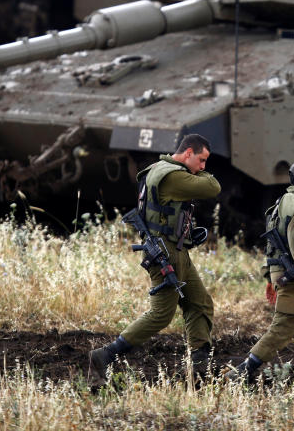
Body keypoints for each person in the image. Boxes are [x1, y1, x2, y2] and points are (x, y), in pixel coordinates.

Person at [88, 134, 222, 389]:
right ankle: (104, 355)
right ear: (187, 153)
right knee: (161, 314)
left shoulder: (162, 170)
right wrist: (201, 176)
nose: (203, 167)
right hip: (165, 253)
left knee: (199, 303)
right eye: (201, 160)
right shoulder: (173, 175)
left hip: (176, 249)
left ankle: (201, 367)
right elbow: (213, 187)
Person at [227, 160, 294, 396]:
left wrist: (270, 277)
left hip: (285, 272)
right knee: (284, 326)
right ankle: (242, 372)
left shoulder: (281, 202)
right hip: (292, 275)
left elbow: (272, 244)